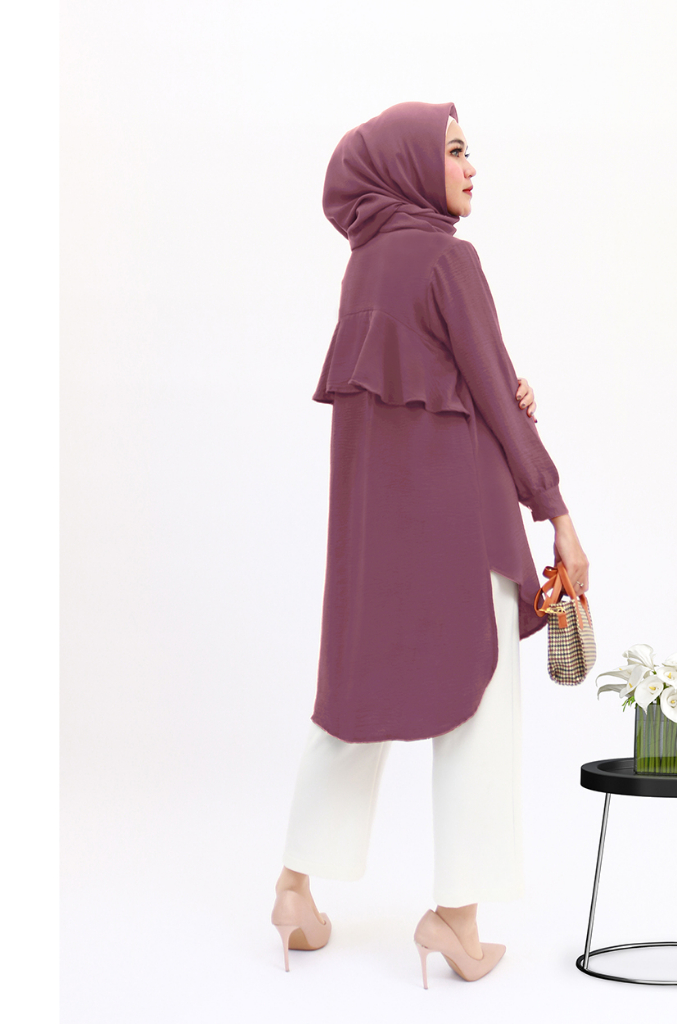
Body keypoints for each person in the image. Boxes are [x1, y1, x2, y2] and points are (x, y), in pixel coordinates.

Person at [270, 101, 590, 987]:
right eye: (453, 151)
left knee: (354, 700)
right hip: (464, 525)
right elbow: (491, 396)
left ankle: (293, 890)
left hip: (377, 535)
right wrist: (557, 513)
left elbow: (428, 389)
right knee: (480, 708)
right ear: (411, 166)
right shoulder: (451, 259)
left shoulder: (364, 266)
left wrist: (493, 385)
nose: (470, 166)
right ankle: (456, 918)